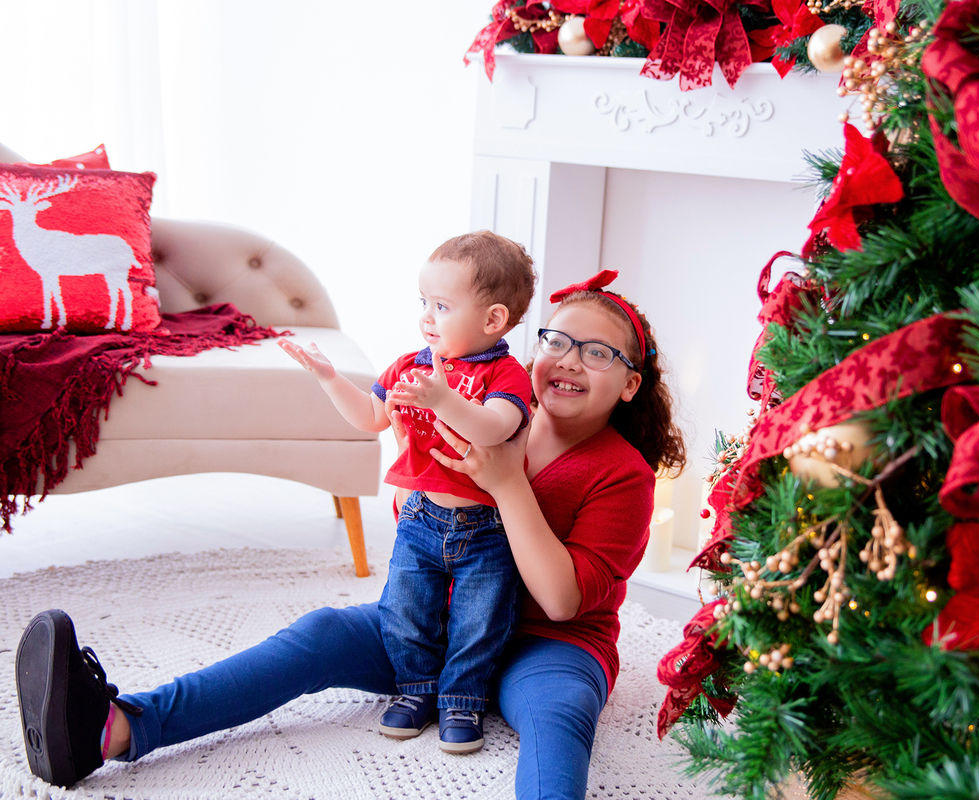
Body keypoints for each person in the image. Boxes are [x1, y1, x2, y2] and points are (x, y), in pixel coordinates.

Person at [15, 268, 687, 800]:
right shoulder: (488, 409)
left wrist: (508, 484)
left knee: (558, 716)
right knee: (319, 636)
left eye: (597, 353)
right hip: (440, 622)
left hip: (547, 644)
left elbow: (563, 601)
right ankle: (114, 726)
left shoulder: (623, 477)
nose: (570, 359)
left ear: (629, 384)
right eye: (558, 341)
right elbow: (421, 521)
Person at [278, 230, 537, 753]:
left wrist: (444, 400)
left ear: (493, 320)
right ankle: (416, 689)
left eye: (442, 305)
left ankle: (462, 698)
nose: (426, 316)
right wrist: (330, 378)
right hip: (420, 518)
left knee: (479, 618)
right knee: (405, 607)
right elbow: (371, 418)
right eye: (423, 302)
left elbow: (494, 428)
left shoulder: (508, 375)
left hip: (485, 529)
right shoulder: (411, 366)